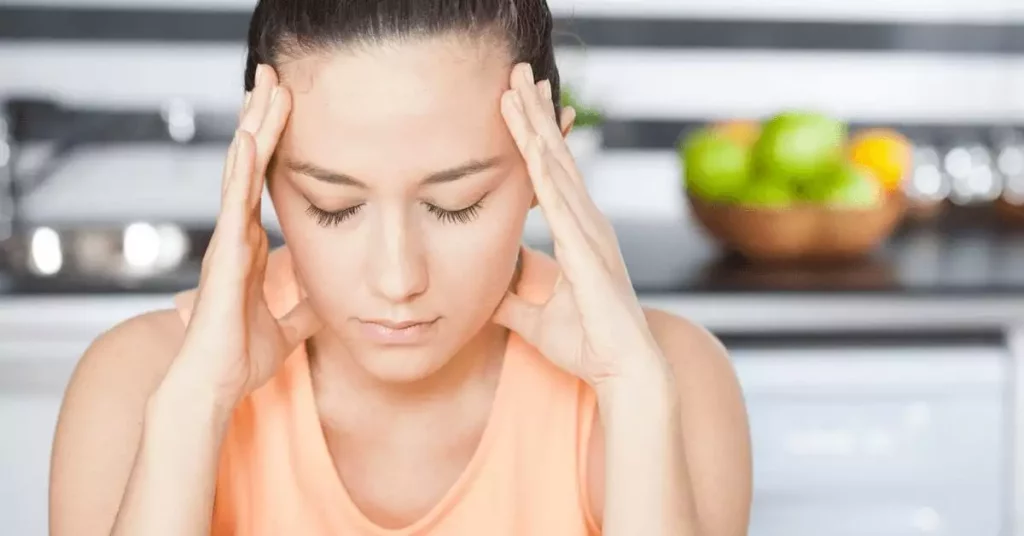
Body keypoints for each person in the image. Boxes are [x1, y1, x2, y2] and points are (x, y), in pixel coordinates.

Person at [48, 1, 752, 534]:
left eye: (455, 205)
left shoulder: (665, 378)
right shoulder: (143, 382)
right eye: (332, 207)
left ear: (551, 167)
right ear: (257, 174)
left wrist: (633, 392)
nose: (397, 279)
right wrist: (195, 407)